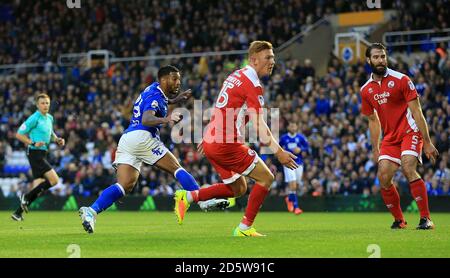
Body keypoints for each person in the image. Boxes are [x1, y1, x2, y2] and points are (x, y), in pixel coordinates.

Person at [79, 65, 228, 233]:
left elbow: (159, 101)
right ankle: (202, 200)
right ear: (163, 79)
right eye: (174, 79)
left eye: (178, 79)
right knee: (176, 168)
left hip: (128, 139)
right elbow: (147, 118)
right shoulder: (156, 95)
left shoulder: (154, 90)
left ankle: (91, 211)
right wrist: (168, 119)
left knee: (124, 185)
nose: (178, 82)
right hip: (143, 137)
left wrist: (175, 100)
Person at [173, 41, 298, 236]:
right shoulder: (253, 84)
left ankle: (188, 197)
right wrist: (279, 152)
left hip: (214, 140)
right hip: (225, 143)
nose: (272, 61)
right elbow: (258, 124)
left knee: (239, 188)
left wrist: (208, 136)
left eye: (273, 57)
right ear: (254, 60)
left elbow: (222, 108)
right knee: (266, 178)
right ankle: (244, 228)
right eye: (268, 57)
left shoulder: (235, 76)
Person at [360, 43, 439, 230]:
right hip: (390, 137)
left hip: (410, 131)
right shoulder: (365, 90)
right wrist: (375, 149)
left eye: (383, 56)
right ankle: (399, 220)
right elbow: (373, 120)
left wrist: (427, 142)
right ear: (368, 60)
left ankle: (426, 218)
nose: (381, 60)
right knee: (384, 176)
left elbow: (417, 111)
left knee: (408, 166)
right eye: (377, 57)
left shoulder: (402, 79)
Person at [11, 93, 65, 221]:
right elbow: (19, 134)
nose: (45, 105)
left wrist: (57, 139)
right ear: (37, 105)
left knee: (38, 185)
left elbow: (50, 132)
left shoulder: (49, 118)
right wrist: (32, 142)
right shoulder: (34, 118)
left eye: (47, 103)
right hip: (35, 152)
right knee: (54, 180)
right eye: (43, 103)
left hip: (43, 153)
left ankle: (18, 213)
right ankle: (26, 197)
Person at [280, 122, 309, 215]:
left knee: (296, 184)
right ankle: (296, 207)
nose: (293, 127)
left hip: (299, 163)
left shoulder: (300, 137)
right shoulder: (284, 138)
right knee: (293, 185)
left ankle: (289, 198)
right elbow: (279, 149)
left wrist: (301, 150)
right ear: (288, 127)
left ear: (296, 127)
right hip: (288, 163)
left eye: (294, 126)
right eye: (291, 126)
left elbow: (307, 147)